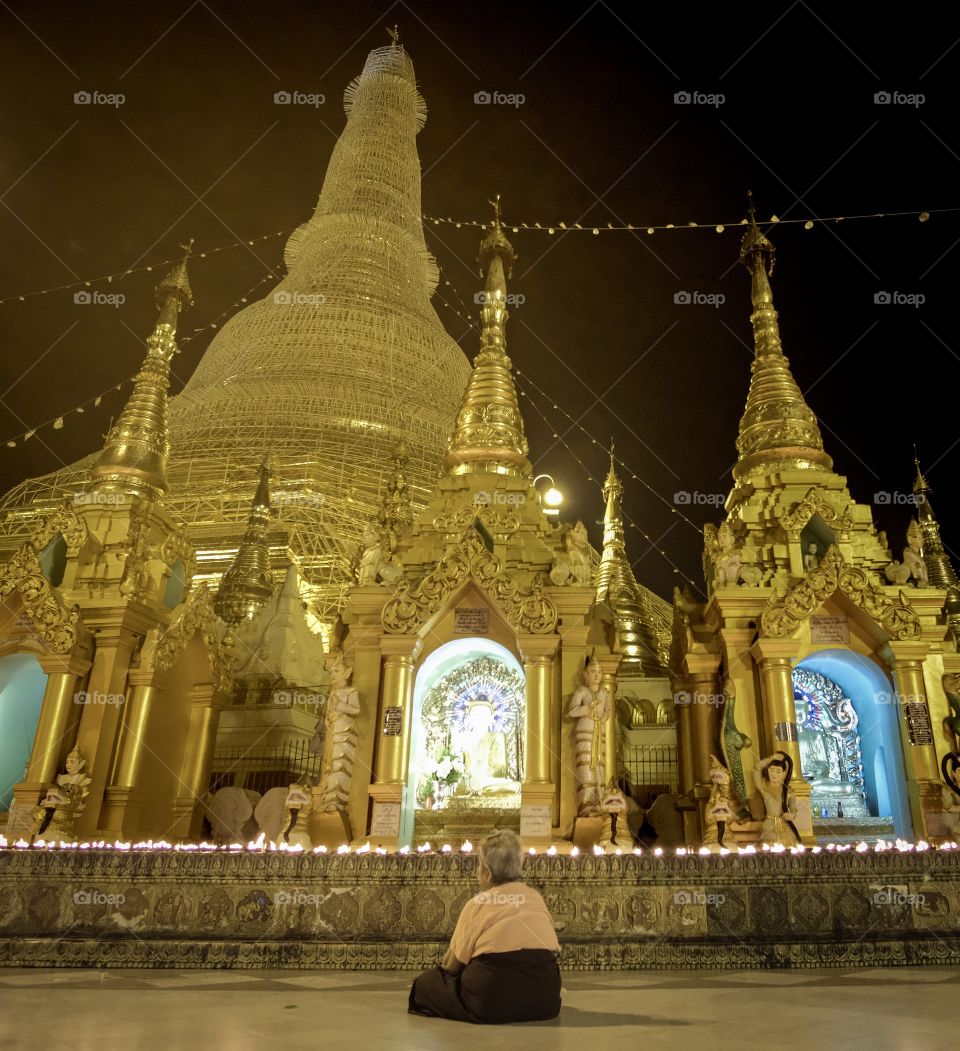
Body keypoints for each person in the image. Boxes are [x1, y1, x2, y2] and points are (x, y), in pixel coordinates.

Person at [408, 830, 561, 1024]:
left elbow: (452, 966)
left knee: (425, 985)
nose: (477, 871)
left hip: (492, 998)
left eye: (479, 865)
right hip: (545, 998)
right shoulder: (535, 897)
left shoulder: (479, 903)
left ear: (488, 873)